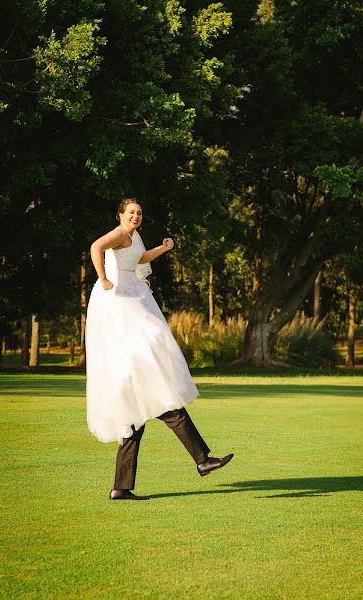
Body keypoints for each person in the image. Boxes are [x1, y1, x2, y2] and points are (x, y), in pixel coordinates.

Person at [86, 198, 233, 500]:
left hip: (133, 299)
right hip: (122, 303)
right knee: (166, 403)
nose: (136, 216)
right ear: (121, 215)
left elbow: (139, 259)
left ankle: (121, 488)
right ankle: (203, 461)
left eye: (139, 212)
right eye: (131, 212)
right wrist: (102, 279)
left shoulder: (134, 237)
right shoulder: (119, 234)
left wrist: (163, 249)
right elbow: (96, 247)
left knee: (134, 420)